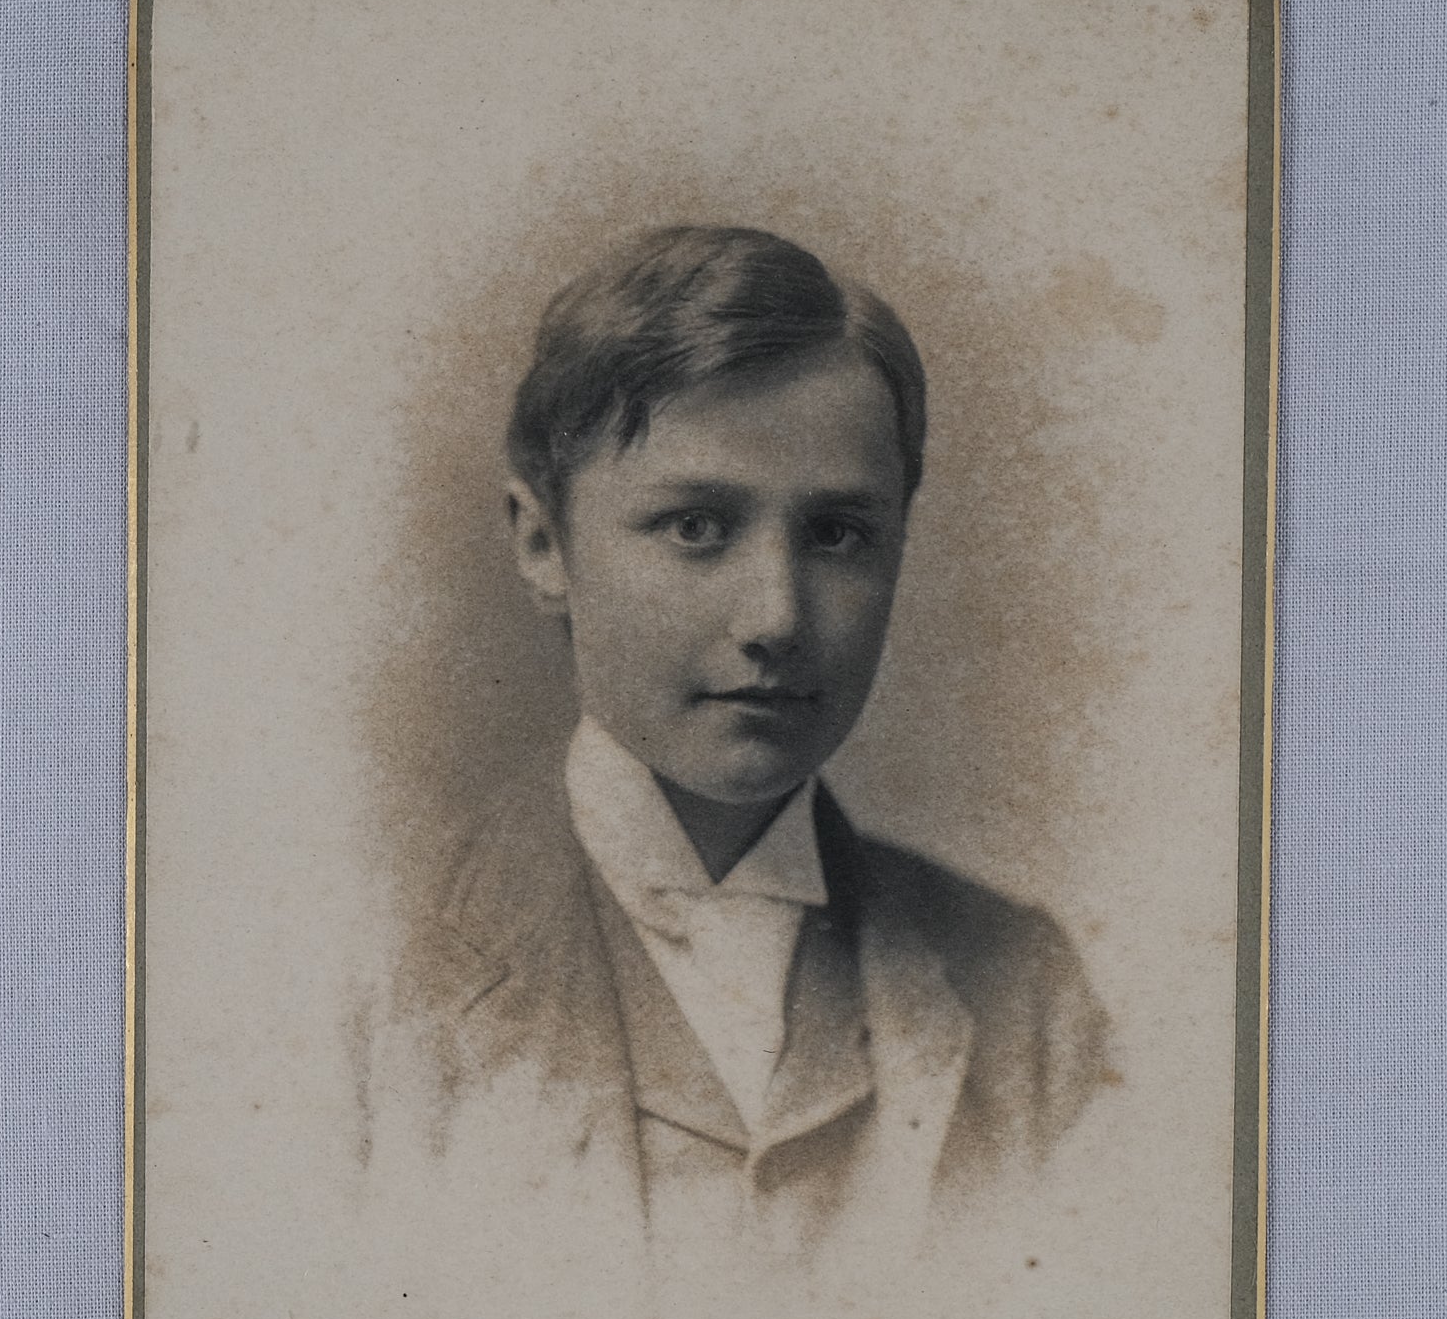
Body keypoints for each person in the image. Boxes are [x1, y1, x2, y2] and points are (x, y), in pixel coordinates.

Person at [432, 224, 1107, 1265]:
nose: (777, 618)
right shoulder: (369, 963)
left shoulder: (1028, 996)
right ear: (542, 544)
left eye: (836, 534)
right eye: (696, 527)